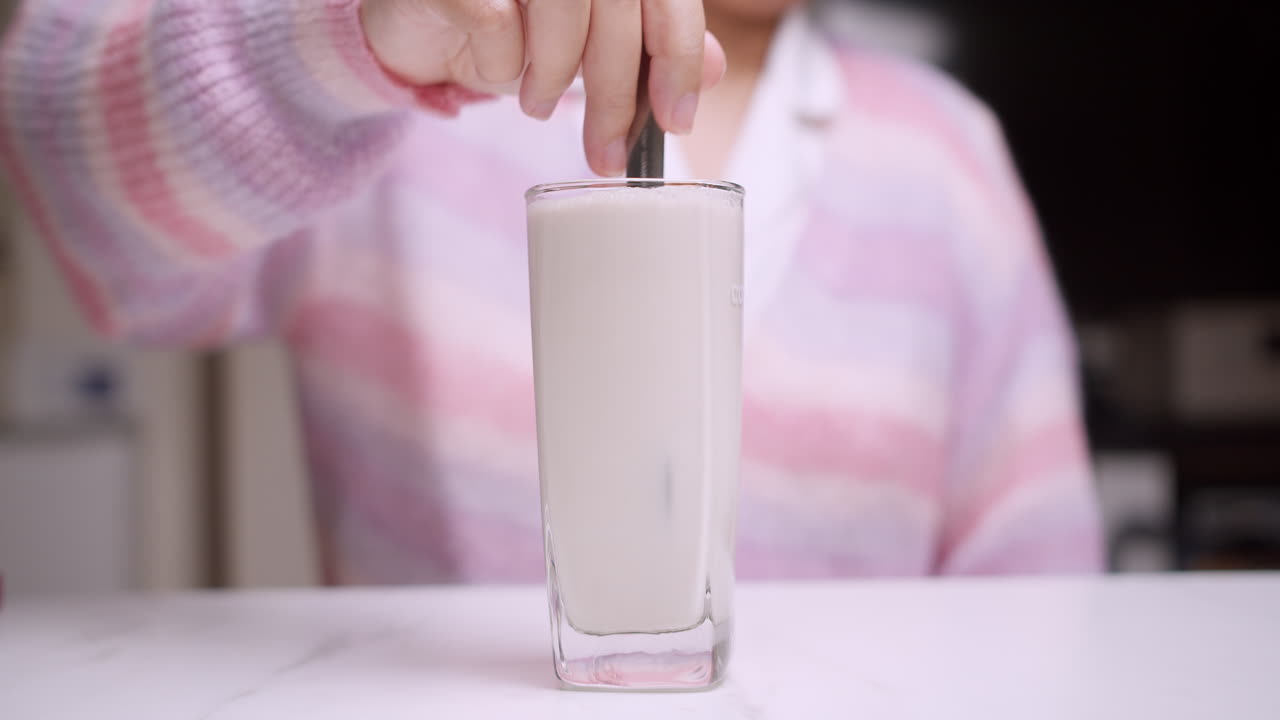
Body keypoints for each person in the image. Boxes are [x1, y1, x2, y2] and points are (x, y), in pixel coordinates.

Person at [0, 0, 1101, 584]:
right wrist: (344, 34)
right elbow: (67, 178)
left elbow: (1039, 597)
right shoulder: (408, 94)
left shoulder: (947, 159)